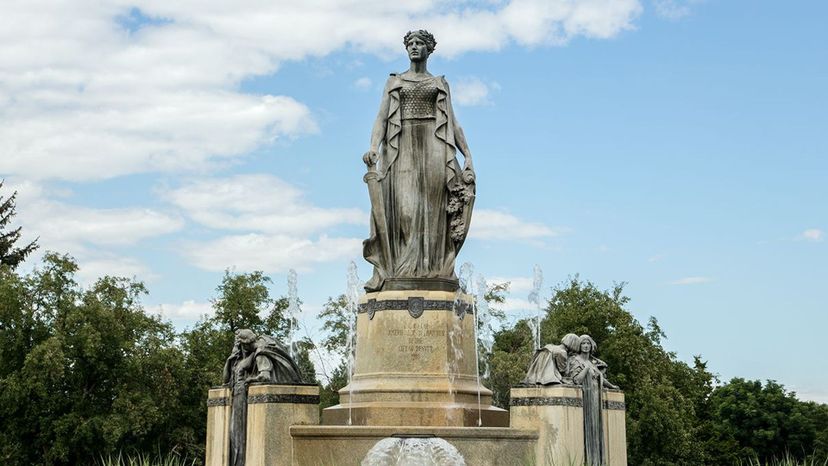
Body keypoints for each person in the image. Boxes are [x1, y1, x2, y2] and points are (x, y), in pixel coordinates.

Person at [362, 29, 476, 292]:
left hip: (434, 145)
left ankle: (432, 269)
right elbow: (381, 118)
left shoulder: (439, 82)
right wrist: (373, 146)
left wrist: (467, 154)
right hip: (401, 146)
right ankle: (398, 270)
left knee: (433, 212)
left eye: (420, 43)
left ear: (429, 49)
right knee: (405, 210)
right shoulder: (394, 81)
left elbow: (453, 122)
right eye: (410, 43)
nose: (414, 47)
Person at [222, 329, 303, 466]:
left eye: (240, 345)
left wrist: (250, 380)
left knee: (237, 434)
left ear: (245, 344)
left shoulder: (260, 352)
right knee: (234, 434)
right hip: (238, 395)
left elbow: (265, 375)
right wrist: (233, 355)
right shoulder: (247, 355)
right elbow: (226, 379)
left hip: (242, 396)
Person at [567, 335, 618, 466]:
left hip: (596, 396)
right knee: (588, 426)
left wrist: (611, 386)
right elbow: (577, 380)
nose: (585, 345)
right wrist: (586, 369)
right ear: (579, 346)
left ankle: (596, 460)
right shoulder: (574, 360)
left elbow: (600, 377)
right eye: (583, 343)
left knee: (596, 427)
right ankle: (588, 460)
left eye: (588, 343)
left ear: (591, 346)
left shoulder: (592, 362)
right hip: (586, 395)